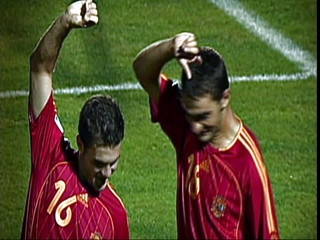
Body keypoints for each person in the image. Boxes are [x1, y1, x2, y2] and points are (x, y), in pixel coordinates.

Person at [133, 32, 280, 239]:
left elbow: (268, 234)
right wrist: (170, 47)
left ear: (224, 98)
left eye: (203, 116)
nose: (195, 126)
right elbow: (142, 70)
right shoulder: (185, 124)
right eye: (190, 115)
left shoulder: (247, 162)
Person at [21, 1, 130, 239]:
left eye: (114, 162)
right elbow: (40, 68)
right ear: (81, 145)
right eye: (100, 163)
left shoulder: (116, 216)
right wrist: (65, 23)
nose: (107, 173)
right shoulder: (50, 155)